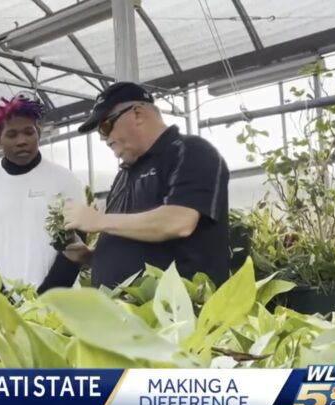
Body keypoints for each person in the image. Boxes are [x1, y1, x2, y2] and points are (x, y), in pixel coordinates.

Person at [62, 82, 230, 287]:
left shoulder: (189, 152)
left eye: (105, 126)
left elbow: (178, 222)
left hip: (175, 312)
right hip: (125, 313)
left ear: (138, 113)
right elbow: (133, 236)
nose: (103, 138)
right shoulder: (124, 174)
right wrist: (91, 256)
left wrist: (99, 221)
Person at [0, 93, 85, 293]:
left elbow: (75, 246)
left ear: (38, 132)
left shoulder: (64, 180)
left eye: (29, 132)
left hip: (60, 300)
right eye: (11, 135)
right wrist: (2, 299)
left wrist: (46, 297)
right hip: (5, 306)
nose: (22, 141)